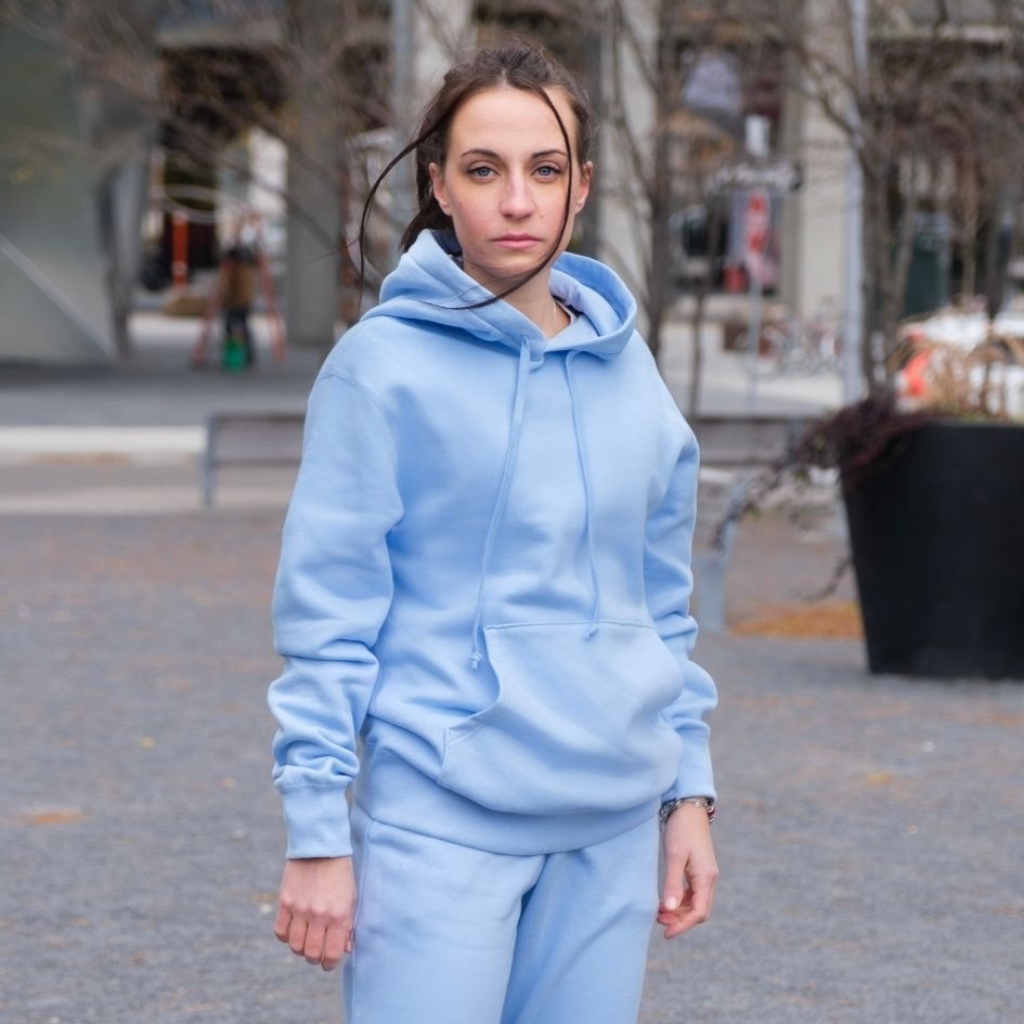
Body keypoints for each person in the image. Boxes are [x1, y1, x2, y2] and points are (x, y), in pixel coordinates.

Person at [268, 40, 718, 1024]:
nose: (517, 200)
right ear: (438, 185)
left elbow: (662, 608)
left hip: (610, 832)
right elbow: (327, 616)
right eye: (483, 169)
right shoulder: (378, 369)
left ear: (581, 185)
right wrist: (316, 835)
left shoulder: (629, 369)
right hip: (439, 828)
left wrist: (688, 793)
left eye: (544, 169)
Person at [219, 243, 257, 368]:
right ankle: (245, 355)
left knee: (231, 329)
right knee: (242, 328)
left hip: (237, 304)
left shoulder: (238, 271)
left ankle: (235, 356)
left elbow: (231, 289)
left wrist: (225, 301)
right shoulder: (245, 269)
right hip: (243, 303)